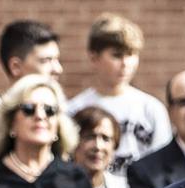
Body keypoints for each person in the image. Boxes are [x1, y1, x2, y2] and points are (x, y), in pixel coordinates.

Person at [66, 13, 170, 162]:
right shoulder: (75, 108)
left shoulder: (151, 109)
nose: (126, 63)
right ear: (94, 57)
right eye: (116, 55)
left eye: (131, 55)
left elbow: (163, 164)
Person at [0, 18, 63, 162]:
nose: (58, 69)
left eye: (57, 60)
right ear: (15, 66)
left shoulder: (62, 113)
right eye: (46, 60)